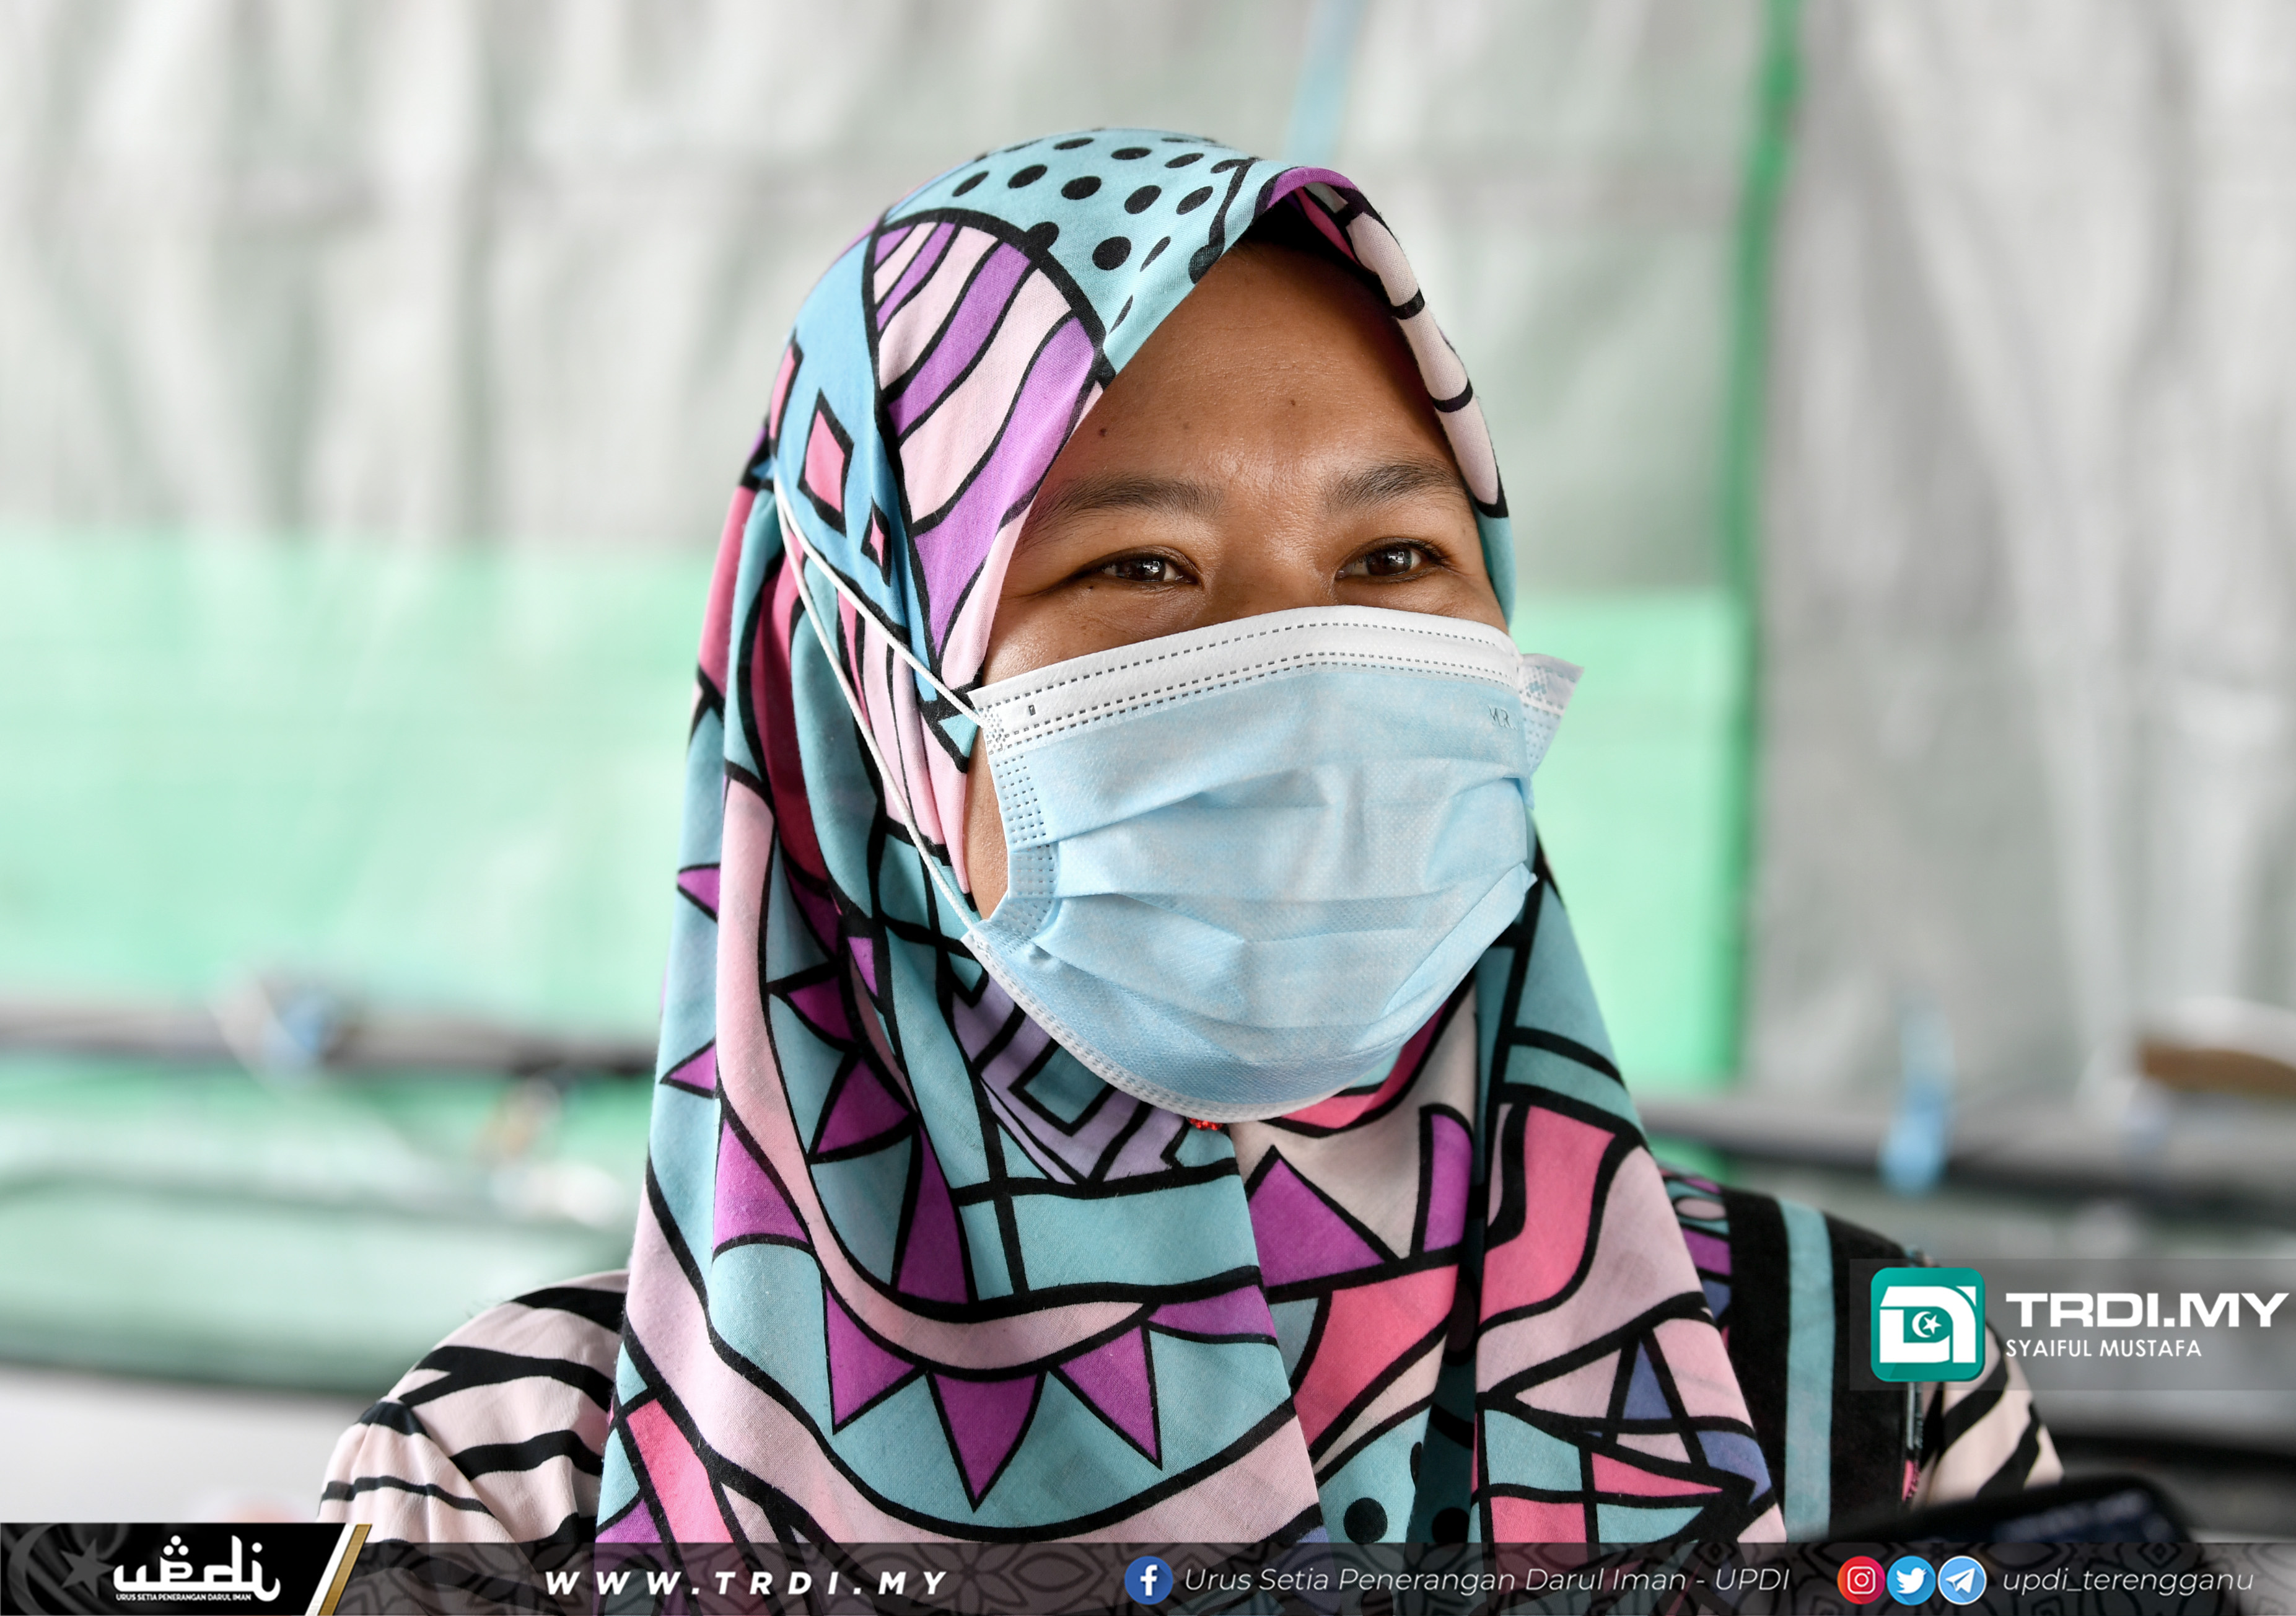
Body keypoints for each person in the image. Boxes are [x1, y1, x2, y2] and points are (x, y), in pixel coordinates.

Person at [321, 129, 2054, 1547]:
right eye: (1139, 566)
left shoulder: (1865, 1393)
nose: (1305, 675)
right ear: (877, 701)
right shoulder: (515, 1484)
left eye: (1395, 561)